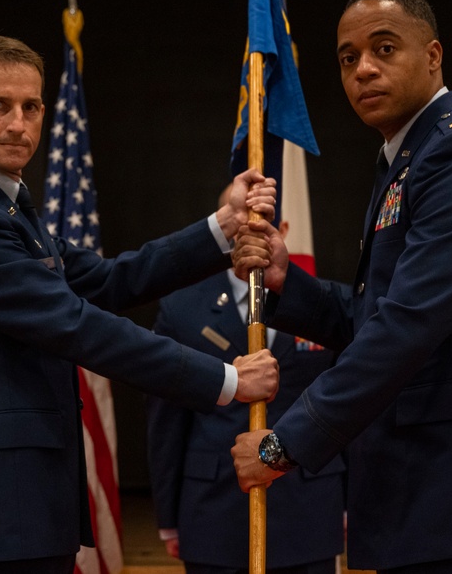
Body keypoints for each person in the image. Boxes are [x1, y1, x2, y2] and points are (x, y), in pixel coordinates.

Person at [230, 0, 452, 573]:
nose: (363, 68)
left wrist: (282, 444)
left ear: (433, 55)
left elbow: (408, 326)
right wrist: (286, 279)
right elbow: (373, 314)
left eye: (384, 48)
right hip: (432, 495)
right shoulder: (405, 158)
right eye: (348, 58)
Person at [0, 34, 281, 574]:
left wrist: (223, 225)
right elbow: (77, 326)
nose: (19, 123)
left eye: (31, 107)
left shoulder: (6, 207)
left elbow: (108, 279)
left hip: (28, 501)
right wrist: (226, 380)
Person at [145, 184, 346, 574]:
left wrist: (352, 500)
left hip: (309, 506)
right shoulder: (182, 309)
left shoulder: (324, 306)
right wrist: (168, 517)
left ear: (283, 229)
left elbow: (346, 407)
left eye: (265, 222)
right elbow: (166, 422)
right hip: (214, 513)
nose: (251, 231)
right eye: (240, 221)